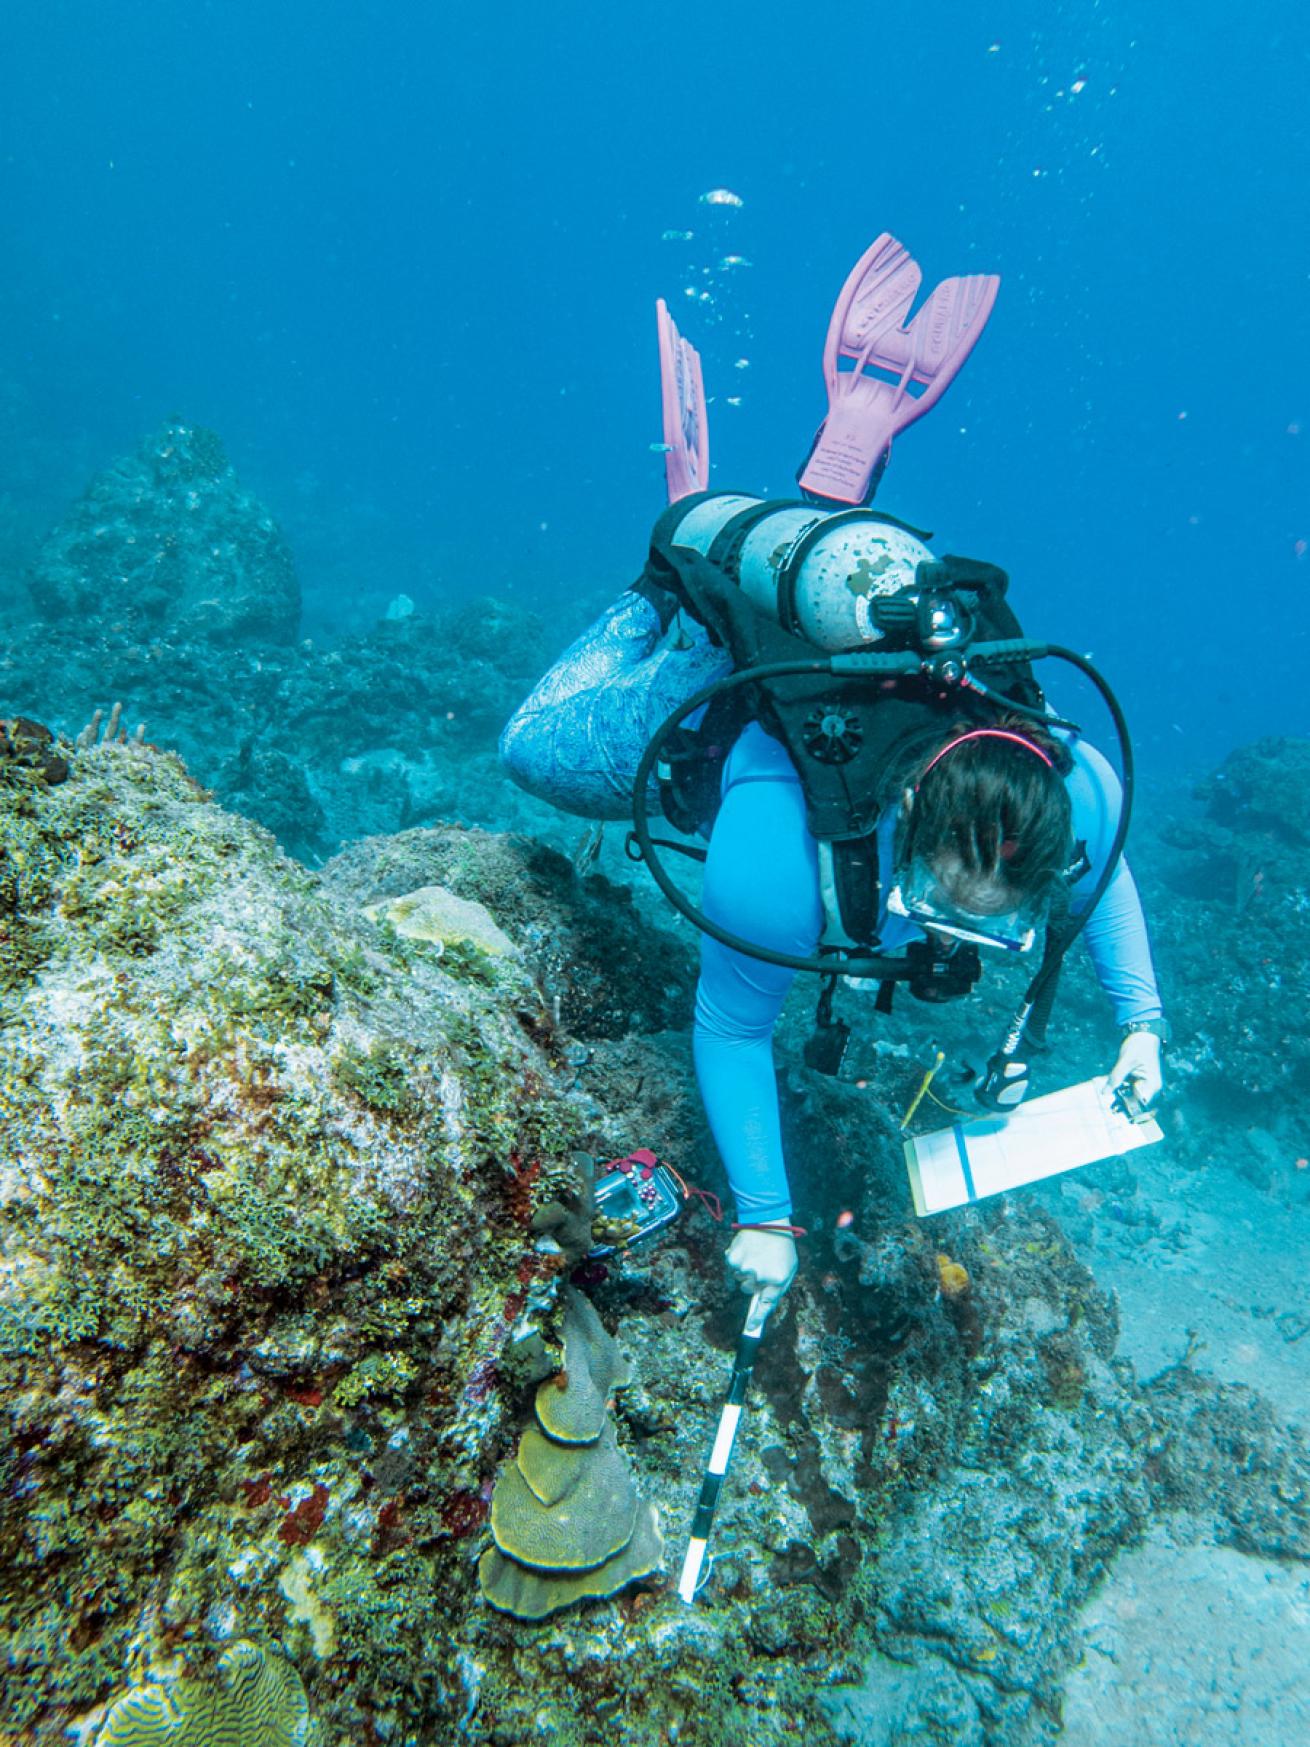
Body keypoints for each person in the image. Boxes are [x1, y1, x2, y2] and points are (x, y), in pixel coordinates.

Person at [501, 238, 1168, 1312]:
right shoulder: (774, 847)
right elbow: (727, 1026)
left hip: (875, 639)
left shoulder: (1072, 793)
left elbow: (1105, 883)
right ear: (905, 821)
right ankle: (669, 589)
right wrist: (764, 1217)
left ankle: (834, 478)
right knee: (529, 749)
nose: (954, 938)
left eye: (992, 926)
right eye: (937, 906)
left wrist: (1139, 1022)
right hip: (733, 714)